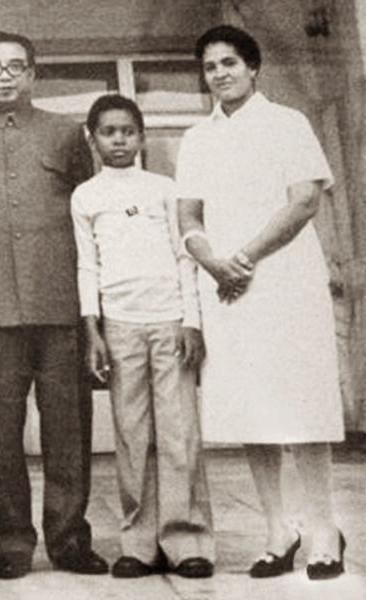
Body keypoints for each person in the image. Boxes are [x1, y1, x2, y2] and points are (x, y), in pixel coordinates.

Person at [0, 31, 107, 578]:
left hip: (59, 308)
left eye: (15, 66)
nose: (4, 75)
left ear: (33, 73)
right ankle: (11, 543)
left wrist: (88, 310)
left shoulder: (65, 133)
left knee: (68, 430)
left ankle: (70, 539)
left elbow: (88, 216)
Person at [176, 25, 346, 580]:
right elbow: (188, 218)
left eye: (230, 63)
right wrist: (212, 261)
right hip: (227, 289)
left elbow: (303, 203)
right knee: (252, 411)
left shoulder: (287, 123)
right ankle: (279, 530)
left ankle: (323, 529)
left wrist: (242, 257)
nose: (220, 74)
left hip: (285, 281)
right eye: (210, 67)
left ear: (253, 68)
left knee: (302, 408)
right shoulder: (198, 138)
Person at [72, 94, 215, 579]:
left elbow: (184, 256)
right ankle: (138, 543)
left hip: (170, 320)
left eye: (127, 131)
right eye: (108, 132)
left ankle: (188, 541)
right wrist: (92, 328)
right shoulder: (86, 195)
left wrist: (191, 320)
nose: (118, 140)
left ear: (142, 136)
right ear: (92, 139)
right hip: (119, 325)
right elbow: (86, 263)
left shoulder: (165, 188)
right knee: (132, 436)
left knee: (178, 435)